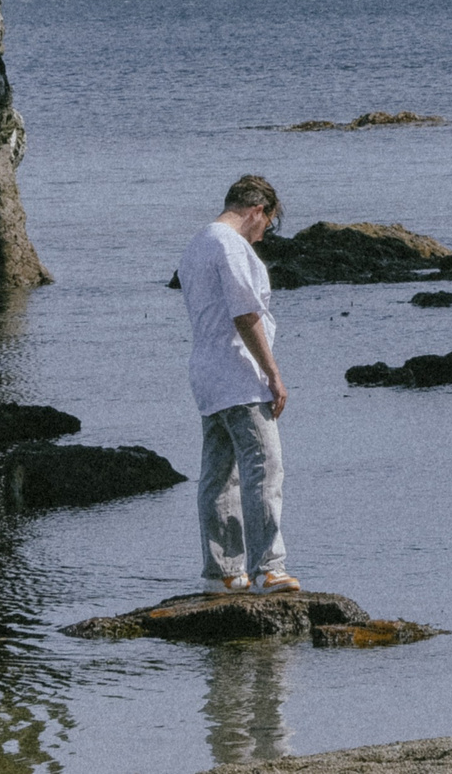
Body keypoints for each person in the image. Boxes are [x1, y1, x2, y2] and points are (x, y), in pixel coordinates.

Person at [177, 174, 297, 594]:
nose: (263, 236)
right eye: (268, 224)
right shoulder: (229, 245)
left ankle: (223, 572)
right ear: (256, 211)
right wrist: (273, 374)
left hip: (207, 374)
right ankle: (269, 567)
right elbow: (246, 314)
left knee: (218, 475)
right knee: (263, 466)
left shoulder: (197, 244)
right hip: (238, 373)